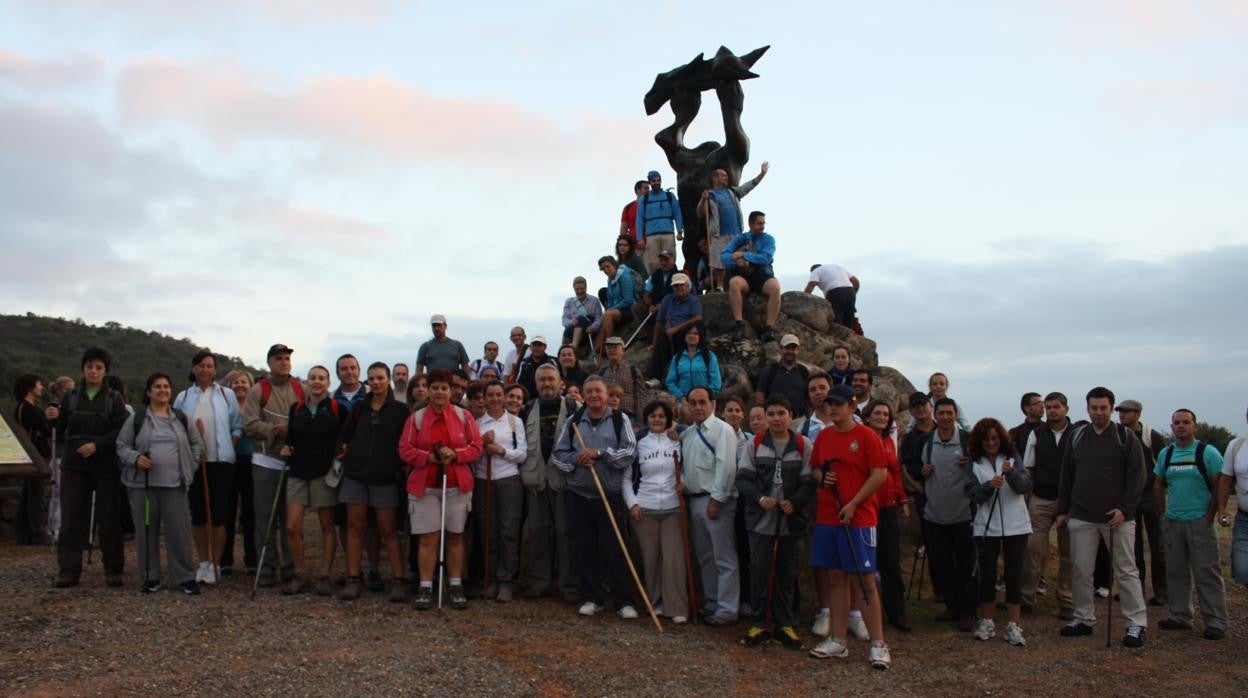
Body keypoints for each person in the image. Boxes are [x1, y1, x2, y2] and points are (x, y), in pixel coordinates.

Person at [1055, 387, 1148, 647]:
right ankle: (1083, 618)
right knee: (1081, 570)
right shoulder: (1078, 436)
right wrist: (1063, 510)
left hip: (1116, 517)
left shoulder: (1125, 437)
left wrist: (1125, 508)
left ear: (1111, 408)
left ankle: (1136, 624)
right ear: (1087, 409)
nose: (1098, 412)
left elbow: (1137, 475)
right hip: (1081, 515)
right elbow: (1067, 475)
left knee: (1126, 570)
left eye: (1103, 408)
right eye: (1093, 408)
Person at [807, 385, 892, 670]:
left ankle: (878, 643)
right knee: (835, 577)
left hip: (859, 518)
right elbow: (815, 467)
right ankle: (838, 639)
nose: (833, 408)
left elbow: (879, 474)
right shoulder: (824, 436)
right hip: (828, 515)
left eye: (839, 404)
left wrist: (855, 502)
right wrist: (822, 478)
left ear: (852, 407)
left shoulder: (866, 436)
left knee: (864, 578)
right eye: (830, 404)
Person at [553, 376, 639, 618]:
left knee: (615, 548)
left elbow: (630, 451)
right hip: (580, 495)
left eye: (598, 391)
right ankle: (592, 597)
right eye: (588, 391)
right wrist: (576, 459)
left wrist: (601, 453)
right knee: (584, 548)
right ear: (583, 394)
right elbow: (558, 455)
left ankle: (624, 601)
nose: (593, 396)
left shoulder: (620, 420)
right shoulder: (574, 421)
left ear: (605, 393)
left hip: (609, 495)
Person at [399, 368, 484, 610]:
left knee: (456, 535)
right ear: (428, 390)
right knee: (428, 537)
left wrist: (455, 454)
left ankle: (455, 584)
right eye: (434, 387)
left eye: (444, 388)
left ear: (451, 391)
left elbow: (476, 447)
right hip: (425, 486)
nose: (439, 392)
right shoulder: (416, 418)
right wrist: (429, 458)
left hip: (456, 484)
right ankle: (426, 586)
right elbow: (405, 449)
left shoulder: (463, 416)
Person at [116, 373, 205, 594]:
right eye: (157, 387)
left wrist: (190, 468)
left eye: (166, 386)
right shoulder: (136, 419)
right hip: (143, 486)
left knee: (179, 533)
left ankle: (184, 577)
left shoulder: (182, 418)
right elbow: (121, 445)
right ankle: (150, 577)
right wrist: (135, 458)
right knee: (146, 533)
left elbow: (196, 444)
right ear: (149, 392)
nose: (162, 390)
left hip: (175, 485)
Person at [736, 394, 814, 649]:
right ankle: (759, 622)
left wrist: (796, 501)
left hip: (791, 521)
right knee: (759, 570)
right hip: (761, 521)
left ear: (791, 416)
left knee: (786, 571)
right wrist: (760, 498)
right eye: (771, 414)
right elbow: (743, 479)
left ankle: (785, 624)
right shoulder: (756, 444)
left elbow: (809, 482)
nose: (776, 418)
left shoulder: (803, 445)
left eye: (781, 413)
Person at [53, 347, 130, 589]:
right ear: (83, 369)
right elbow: (62, 426)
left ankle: (113, 569)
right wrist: (52, 417)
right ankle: (68, 570)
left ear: (105, 371)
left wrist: (97, 445)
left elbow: (121, 429)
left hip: (105, 463)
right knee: (71, 518)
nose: (93, 372)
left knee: (108, 518)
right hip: (75, 463)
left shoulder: (113, 399)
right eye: (89, 367)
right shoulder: (71, 396)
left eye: (98, 367)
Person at [336, 362, 409, 602]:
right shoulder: (360, 408)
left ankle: (399, 580)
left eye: (380, 378)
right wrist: (344, 451)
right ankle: (354, 578)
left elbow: (405, 443)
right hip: (356, 475)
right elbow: (344, 437)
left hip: (384, 478)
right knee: (355, 528)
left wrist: (395, 466)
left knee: (388, 530)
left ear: (387, 379)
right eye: (372, 379)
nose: (376, 382)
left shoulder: (400, 410)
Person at [1154, 408, 1228, 640]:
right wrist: (1162, 513)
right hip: (1173, 521)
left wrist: (1211, 514)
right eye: (1176, 423)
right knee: (1176, 572)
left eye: (1186, 422)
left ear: (1195, 426)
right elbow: (1158, 484)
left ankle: (1215, 621)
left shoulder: (1208, 453)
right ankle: (1180, 616)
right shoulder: (1166, 454)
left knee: (1207, 572)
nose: (1180, 426)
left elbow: (1220, 485)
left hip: (1200, 521)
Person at [172, 350, 243, 586]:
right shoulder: (183, 397)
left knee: (219, 515)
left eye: (210, 366)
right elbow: (175, 426)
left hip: (221, 462)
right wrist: (193, 430)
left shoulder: (226, 394)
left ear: (215, 370)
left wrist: (230, 446)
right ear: (194, 369)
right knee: (200, 514)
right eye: (201, 365)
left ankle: (216, 562)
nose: (206, 370)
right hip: (195, 462)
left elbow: (237, 425)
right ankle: (202, 561)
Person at [280, 366, 345, 596]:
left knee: (327, 526)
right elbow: (290, 438)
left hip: (324, 474)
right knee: (291, 526)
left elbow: (343, 440)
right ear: (306, 382)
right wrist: (287, 448)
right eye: (312, 378)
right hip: (297, 471)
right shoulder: (296, 408)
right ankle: (299, 572)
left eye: (321, 378)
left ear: (328, 383)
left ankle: (325, 574)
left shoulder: (337, 408)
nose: (316, 382)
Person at [967, 418, 1032, 646]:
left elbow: (1025, 486)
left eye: (994, 438)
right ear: (979, 441)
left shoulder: (1013, 459)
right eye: (986, 439)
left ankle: (1013, 625)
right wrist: (987, 487)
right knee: (987, 575)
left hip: (1016, 525)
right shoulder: (974, 463)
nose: (991, 443)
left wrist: (1011, 473)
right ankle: (987, 621)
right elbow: (972, 495)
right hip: (986, 526)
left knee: (1013, 575)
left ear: (1001, 438)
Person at [519, 364, 580, 601]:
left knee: (566, 534)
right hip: (536, 482)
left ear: (560, 382)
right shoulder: (527, 409)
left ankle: (569, 586)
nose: (546, 384)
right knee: (538, 533)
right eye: (542, 380)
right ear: (536, 384)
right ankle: (539, 582)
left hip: (564, 481)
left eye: (551, 379)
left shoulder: (575, 408)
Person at [624, 400, 689, 623]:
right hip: (645, 506)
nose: (657, 420)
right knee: (650, 559)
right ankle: (655, 603)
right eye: (653, 416)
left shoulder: (678, 441)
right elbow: (626, 477)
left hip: (672, 507)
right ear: (647, 419)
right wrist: (632, 503)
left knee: (674, 558)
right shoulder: (639, 443)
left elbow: (687, 469)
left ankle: (677, 607)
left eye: (662, 416)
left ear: (668, 419)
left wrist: (686, 482)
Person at [680, 385, 740, 625]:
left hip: (716, 502)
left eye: (702, 402)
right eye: (693, 402)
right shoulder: (689, 434)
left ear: (712, 404)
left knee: (723, 557)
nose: (697, 407)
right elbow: (686, 467)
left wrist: (716, 501)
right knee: (705, 557)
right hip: (694, 500)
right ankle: (713, 602)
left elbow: (726, 468)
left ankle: (727, 609)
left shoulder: (722, 430)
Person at [916, 398, 977, 632]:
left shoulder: (966, 441)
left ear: (955, 415)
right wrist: (923, 471)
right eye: (941, 413)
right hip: (935, 515)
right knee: (942, 565)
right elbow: (922, 470)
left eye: (949, 413)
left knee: (966, 565)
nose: (945, 417)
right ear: (935, 415)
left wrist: (970, 464)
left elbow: (980, 469)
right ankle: (952, 606)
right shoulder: (928, 441)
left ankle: (968, 611)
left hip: (963, 514)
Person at [243, 343, 301, 588]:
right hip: (266, 461)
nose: (284, 362)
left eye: (287, 358)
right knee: (265, 519)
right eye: (279, 358)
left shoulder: (301, 388)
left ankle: (291, 568)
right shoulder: (258, 390)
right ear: (269, 362)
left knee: (290, 521)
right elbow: (250, 424)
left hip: (292, 463)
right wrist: (274, 429)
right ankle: (266, 567)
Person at [1019, 392, 1077, 618]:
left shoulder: (1077, 434)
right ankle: (1026, 596)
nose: (1052, 410)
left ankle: (1067, 600)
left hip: (1069, 501)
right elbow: (1029, 468)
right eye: (1049, 407)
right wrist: (1029, 498)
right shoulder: (1037, 433)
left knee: (1069, 553)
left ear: (1066, 409)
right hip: (1041, 498)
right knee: (1033, 548)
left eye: (1056, 406)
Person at [473, 380, 528, 602]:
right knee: (488, 530)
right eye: (490, 395)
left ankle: (506, 581)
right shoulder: (476, 423)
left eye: (498, 394)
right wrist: (481, 445)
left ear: (504, 397)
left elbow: (522, 454)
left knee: (508, 530)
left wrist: (501, 450)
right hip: (482, 480)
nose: (495, 399)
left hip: (508, 479)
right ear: (484, 399)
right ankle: (491, 579)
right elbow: (471, 453)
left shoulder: (515, 422)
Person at [864, 399, 913, 633]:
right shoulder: (863, 439)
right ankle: (866, 612)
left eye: (886, 414)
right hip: (867, 508)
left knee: (890, 562)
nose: (882, 417)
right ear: (868, 416)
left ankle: (896, 611)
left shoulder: (889, 443)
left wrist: (903, 500)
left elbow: (894, 473)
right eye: (878, 413)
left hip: (888, 508)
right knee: (866, 562)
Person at [1115, 399, 1168, 606]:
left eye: (1126, 412)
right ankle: (1133, 590)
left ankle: (1161, 592)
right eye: (1120, 412)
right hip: (1128, 496)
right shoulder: (1117, 435)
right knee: (1131, 546)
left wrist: (1160, 492)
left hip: (1150, 494)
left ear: (1137, 413)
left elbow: (1160, 463)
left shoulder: (1150, 435)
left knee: (1158, 545)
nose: (1122, 415)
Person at [699, 162, 768, 293]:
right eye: (723, 176)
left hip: (736, 233)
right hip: (719, 234)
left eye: (726, 175)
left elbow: (748, 187)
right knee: (719, 263)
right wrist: (703, 200)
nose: (727, 178)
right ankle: (719, 286)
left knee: (742, 259)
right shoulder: (710, 195)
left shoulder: (733, 192)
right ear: (715, 178)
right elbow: (701, 213)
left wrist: (761, 175)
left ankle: (745, 284)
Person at [219, 369, 257, 575]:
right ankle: (225, 559)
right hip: (229, 461)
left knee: (250, 512)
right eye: (235, 383)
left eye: (244, 382)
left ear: (250, 385)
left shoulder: (256, 406)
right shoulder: (224, 406)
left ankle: (252, 558)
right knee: (228, 512)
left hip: (252, 461)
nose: (240, 385)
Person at [722, 211, 780, 342]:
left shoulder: (768, 239)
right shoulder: (739, 239)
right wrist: (736, 260)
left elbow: (766, 257)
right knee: (734, 283)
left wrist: (744, 255)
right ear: (750, 224)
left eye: (763, 223)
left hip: (762, 274)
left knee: (775, 287)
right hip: (744, 276)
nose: (762, 226)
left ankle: (769, 328)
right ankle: (739, 324)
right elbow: (723, 256)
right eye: (759, 223)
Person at [12, 374, 53, 545]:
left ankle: (24, 534)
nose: (41, 387)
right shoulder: (26, 408)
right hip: (34, 455)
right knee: (35, 495)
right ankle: (37, 533)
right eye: (39, 384)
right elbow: (45, 428)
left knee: (29, 494)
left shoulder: (29, 407)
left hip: (34, 454)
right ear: (30, 387)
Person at [649, 272, 702, 385]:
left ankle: (681, 376)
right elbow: (659, 322)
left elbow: (698, 318)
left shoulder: (693, 300)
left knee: (683, 338)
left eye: (681, 285)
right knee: (662, 341)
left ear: (687, 286)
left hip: (686, 332)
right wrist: (654, 343)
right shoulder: (667, 299)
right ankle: (655, 377)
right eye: (675, 286)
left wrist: (677, 328)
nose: (678, 288)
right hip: (669, 333)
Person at [1215, 405, 1248, 587]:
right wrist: (1221, 508)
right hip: (1244, 518)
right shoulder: (1236, 446)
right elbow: (1225, 479)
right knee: (1243, 570)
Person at [635, 169, 684, 272]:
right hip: (651, 235)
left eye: (658, 180)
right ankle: (656, 286)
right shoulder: (644, 199)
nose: (656, 182)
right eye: (654, 180)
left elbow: (677, 213)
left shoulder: (669, 196)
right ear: (650, 182)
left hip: (668, 233)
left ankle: (670, 283)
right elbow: (639, 219)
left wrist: (680, 230)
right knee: (654, 263)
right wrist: (640, 238)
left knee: (670, 260)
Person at [754, 335, 810, 418]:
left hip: (799, 420)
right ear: (780, 349)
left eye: (793, 348)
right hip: (775, 419)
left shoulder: (804, 371)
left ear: (798, 350)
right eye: (787, 348)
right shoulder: (770, 370)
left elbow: (809, 396)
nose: (790, 351)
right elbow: (760, 395)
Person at [665, 322, 721, 402]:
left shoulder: (709, 356)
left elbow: (716, 382)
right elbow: (670, 382)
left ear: (700, 336)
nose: (692, 336)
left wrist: (706, 397)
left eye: (695, 334)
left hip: (705, 401)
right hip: (684, 402)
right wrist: (681, 397)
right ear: (684, 336)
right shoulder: (677, 357)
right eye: (689, 333)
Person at [600, 337, 652, 419]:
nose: (611, 350)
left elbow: (641, 397)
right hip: (606, 416)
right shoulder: (602, 372)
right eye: (608, 348)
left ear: (623, 351)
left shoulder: (633, 371)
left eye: (615, 347)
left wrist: (640, 421)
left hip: (628, 416)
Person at [595, 256, 636, 355]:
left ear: (614, 265)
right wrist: (610, 309)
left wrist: (610, 310)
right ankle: (597, 349)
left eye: (607, 266)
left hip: (630, 309)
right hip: (618, 309)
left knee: (608, 315)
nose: (606, 270)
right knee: (604, 318)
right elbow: (611, 300)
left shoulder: (624, 276)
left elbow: (628, 300)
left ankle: (610, 344)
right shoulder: (610, 280)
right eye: (603, 269)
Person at [804, 263, 859, 330]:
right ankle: (849, 337)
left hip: (835, 293)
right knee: (849, 317)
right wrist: (854, 293)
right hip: (850, 292)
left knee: (836, 318)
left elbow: (811, 285)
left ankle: (837, 338)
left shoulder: (816, 271)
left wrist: (803, 300)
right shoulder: (838, 267)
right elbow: (856, 281)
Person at [561, 277, 604, 354]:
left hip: (589, 329)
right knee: (567, 329)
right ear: (574, 289)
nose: (580, 291)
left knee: (581, 318)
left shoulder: (594, 300)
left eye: (582, 288)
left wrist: (593, 327)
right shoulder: (569, 301)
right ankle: (563, 353)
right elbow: (564, 320)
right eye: (577, 289)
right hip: (572, 329)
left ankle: (573, 349)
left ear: (586, 287)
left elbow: (599, 318)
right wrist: (571, 322)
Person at [514, 336, 559, 403]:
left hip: (550, 398)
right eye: (535, 345)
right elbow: (518, 384)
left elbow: (558, 380)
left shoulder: (553, 361)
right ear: (530, 347)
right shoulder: (524, 363)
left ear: (545, 347)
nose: (537, 348)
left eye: (540, 345)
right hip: (529, 401)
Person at [642, 248, 678, 316]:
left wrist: (664, 305)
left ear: (674, 260)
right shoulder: (654, 275)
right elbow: (646, 295)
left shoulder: (680, 275)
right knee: (637, 308)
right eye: (661, 260)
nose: (664, 263)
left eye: (667, 259)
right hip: (655, 308)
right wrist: (651, 305)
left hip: (672, 306)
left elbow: (682, 295)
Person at [620, 179, 648, 247]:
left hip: (652, 245)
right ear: (638, 190)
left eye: (648, 188)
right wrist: (623, 245)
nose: (648, 191)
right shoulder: (628, 208)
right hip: (634, 246)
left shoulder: (653, 205)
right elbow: (623, 229)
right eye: (646, 188)